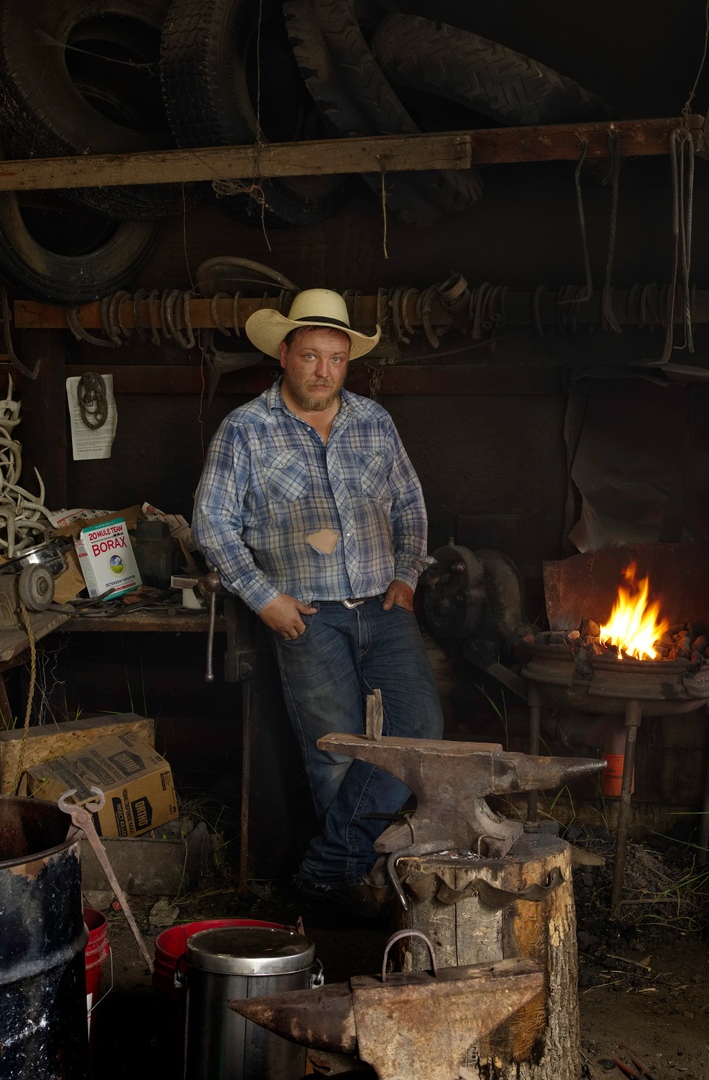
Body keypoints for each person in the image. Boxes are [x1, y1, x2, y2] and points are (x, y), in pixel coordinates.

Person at [192, 288, 444, 916]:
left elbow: (410, 505)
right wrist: (264, 598)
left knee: (419, 731)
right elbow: (212, 523)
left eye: (335, 358)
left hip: (382, 607)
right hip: (305, 614)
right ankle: (353, 893)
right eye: (310, 356)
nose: (323, 370)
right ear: (284, 353)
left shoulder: (373, 421)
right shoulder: (245, 429)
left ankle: (330, 866)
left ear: (346, 362)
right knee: (334, 751)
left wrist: (408, 576)